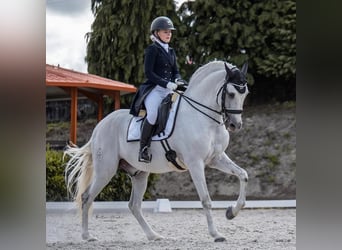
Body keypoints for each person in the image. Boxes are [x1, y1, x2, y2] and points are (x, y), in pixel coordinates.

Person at [129, 16, 187, 163]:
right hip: (154, 90)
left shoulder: (171, 51)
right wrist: (166, 84)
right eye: (165, 32)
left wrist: (178, 80)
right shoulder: (152, 50)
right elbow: (149, 73)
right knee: (153, 114)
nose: (169, 34)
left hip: (169, 89)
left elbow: (176, 71)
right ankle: (143, 149)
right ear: (156, 33)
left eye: (170, 32)